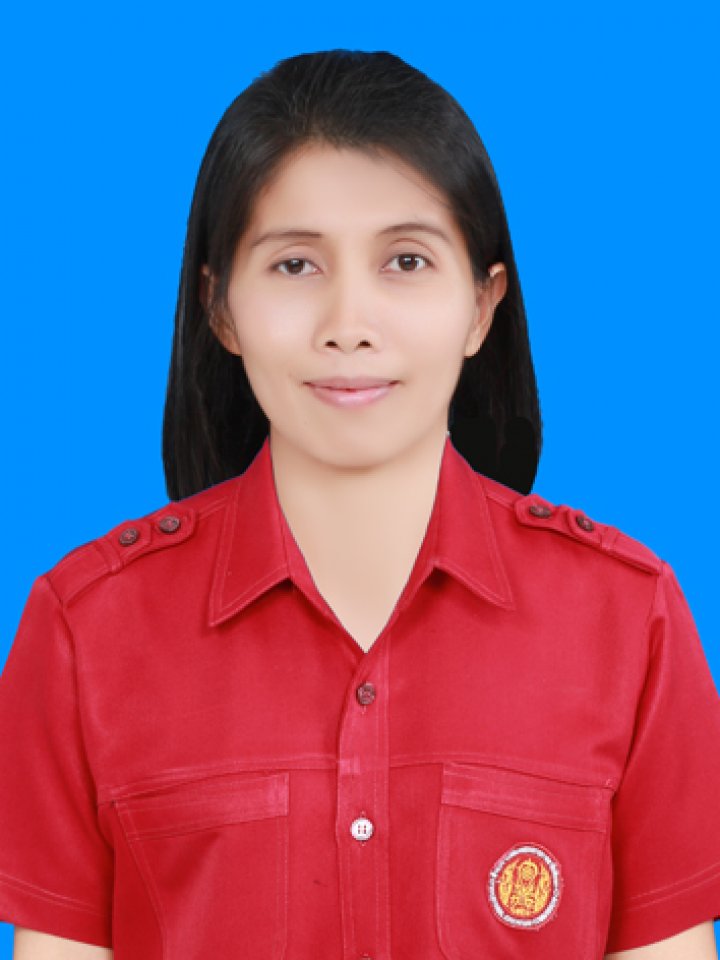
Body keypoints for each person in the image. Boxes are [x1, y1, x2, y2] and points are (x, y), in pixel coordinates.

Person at [1, 48, 719, 960]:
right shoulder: (86, 628)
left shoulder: (628, 617)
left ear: (482, 306)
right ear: (221, 309)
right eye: (295, 264)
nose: (348, 323)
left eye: (406, 260)